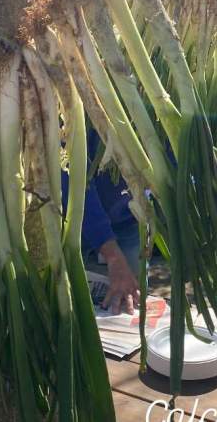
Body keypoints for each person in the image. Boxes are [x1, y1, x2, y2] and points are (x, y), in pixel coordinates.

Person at [61, 129, 141, 315]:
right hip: (74, 222)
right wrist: (112, 254)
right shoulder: (75, 111)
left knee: (128, 297)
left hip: (128, 219)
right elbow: (71, 173)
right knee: (68, 296)